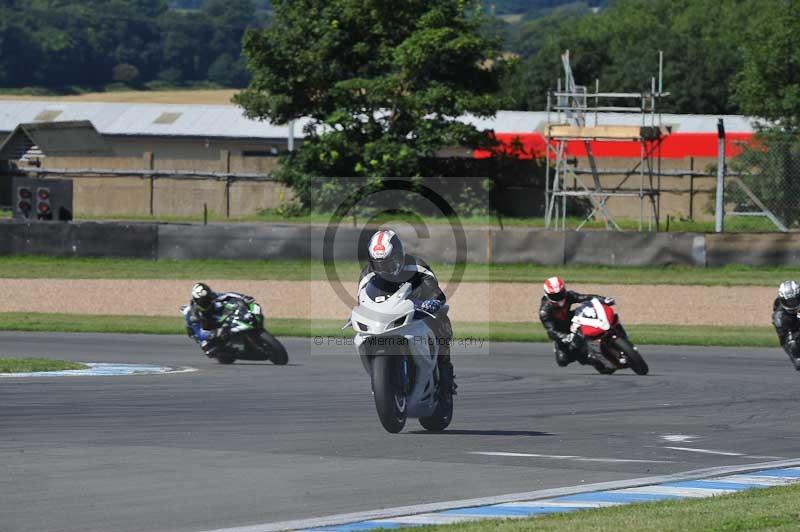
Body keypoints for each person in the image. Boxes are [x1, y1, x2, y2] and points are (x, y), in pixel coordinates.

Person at [358, 229, 456, 397]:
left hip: (417, 310)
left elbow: (435, 291)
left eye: (388, 263)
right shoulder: (366, 274)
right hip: (387, 316)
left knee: (441, 318)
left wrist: (432, 301)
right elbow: (362, 299)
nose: (384, 268)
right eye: (378, 264)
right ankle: (380, 377)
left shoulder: (417, 266)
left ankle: (445, 370)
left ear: (399, 256)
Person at [538, 276, 615, 374]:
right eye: (555, 296)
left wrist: (604, 300)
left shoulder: (569, 295)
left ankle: (607, 333)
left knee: (588, 312)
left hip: (572, 320)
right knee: (563, 360)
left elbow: (586, 297)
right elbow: (551, 330)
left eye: (561, 294)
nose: (559, 298)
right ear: (547, 294)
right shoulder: (544, 311)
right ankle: (590, 358)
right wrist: (564, 337)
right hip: (561, 331)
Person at [184, 282, 255, 352]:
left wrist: (243, 297)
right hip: (207, 328)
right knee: (206, 345)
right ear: (197, 300)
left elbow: (228, 295)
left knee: (230, 307)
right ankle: (226, 350)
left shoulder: (211, 296)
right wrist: (211, 334)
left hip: (217, 318)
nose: (207, 300)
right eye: (204, 300)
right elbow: (198, 332)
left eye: (208, 297)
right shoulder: (193, 314)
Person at [772, 280, 800, 371]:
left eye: (795, 300)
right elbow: (783, 342)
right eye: (790, 302)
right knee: (793, 345)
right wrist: (795, 359)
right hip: (793, 327)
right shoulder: (780, 318)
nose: (793, 304)